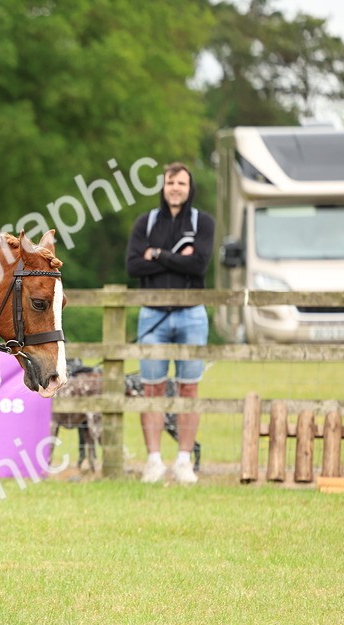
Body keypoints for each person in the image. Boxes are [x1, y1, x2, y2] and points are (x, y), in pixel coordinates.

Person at [126, 162, 215, 485]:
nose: (175, 188)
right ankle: (153, 461)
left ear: (190, 188)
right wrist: (178, 257)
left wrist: (158, 255)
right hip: (152, 314)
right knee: (152, 387)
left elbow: (199, 265)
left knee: (189, 388)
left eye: (181, 183)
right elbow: (133, 266)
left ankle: (183, 460)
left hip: (192, 314)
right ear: (163, 187)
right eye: (170, 182)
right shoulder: (145, 222)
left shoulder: (202, 222)